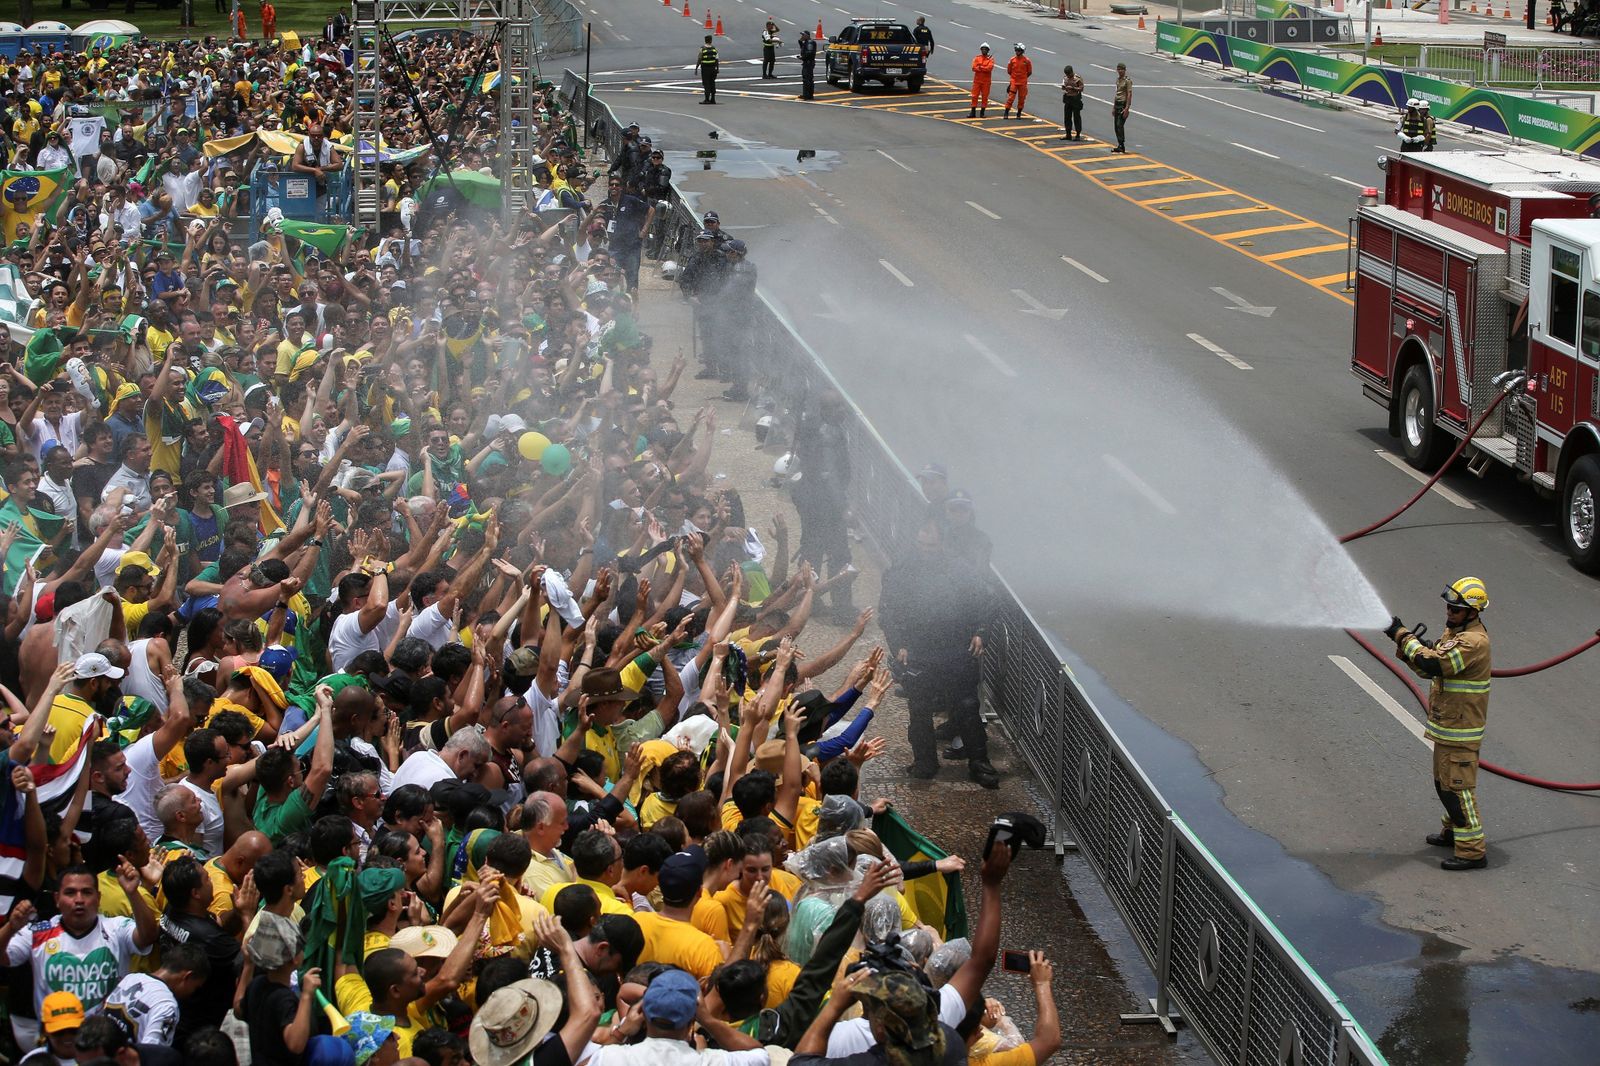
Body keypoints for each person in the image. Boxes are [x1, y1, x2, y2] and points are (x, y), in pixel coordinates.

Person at [879, 518, 998, 788]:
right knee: (919, 709)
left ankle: (979, 762)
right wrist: (899, 644)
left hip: (956, 649)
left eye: (931, 545)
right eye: (922, 544)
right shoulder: (902, 571)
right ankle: (925, 761)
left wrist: (981, 631)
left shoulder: (960, 570)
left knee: (967, 707)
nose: (926, 550)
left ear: (942, 544)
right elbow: (888, 613)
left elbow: (987, 600)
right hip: (918, 650)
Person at [1385, 577, 1492, 871]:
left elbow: (1436, 664)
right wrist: (1412, 648)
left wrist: (1402, 635)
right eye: (1448, 607)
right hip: (1448, 727)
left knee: (1457, 790)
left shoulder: (1472, 642)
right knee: (1444, 784)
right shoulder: (1456, 632)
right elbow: (1430, 669)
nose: (1449, 613)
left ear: (1473, 612)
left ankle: (1472, 851)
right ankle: (1453, 832)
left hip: (1460, 731)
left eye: (1456, 610)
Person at [1003, 44, 1031, 120]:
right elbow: (1009, 71)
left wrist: (1023, 78)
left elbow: (1029, 72)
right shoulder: (1012, 60)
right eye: (1016, 50)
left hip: (1022, 83)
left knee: (1022, 99)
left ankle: (1019, 113)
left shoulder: (1027, 61)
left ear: (1022, 51)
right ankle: (1006, 112)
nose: (1017, 52)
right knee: (1010, 98)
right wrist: (1013, 78)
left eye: (1019, 51)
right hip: (1014, 82)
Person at [969, 44, 995, 119]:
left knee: (985, 97)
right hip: (977, 81)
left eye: (985, 49)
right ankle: (972, 112)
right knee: (974, 96)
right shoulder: (977, 58)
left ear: (988, 50)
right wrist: (983, 68)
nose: (984, 50)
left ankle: (982, 113)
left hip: (986, 81)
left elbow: (989, 68)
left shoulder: (991, 59)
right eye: (983, 49)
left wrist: (980, 67)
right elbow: (974, 68)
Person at [1112, 62, 1133, 152]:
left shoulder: (1127, 81)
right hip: (1117, 103)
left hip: (1123, 104)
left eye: (1121, 69)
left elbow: (1129, 94)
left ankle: (1122, 145)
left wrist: (1127, 108)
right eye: (1118, 69)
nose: (1120, 71)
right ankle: (1119, 144)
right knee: (1116, 126)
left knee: (1119, 125)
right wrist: (1113, 106)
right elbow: (1116, 93)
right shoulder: (1118, 80)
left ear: (1125, 70)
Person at [1060, 64, 1084, 140]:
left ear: (1071, 72)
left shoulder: (1077, 78)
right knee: (1067, 117)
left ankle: (1077, 135)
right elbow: (1063, 87)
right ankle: (1068, 134)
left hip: (1075, 98)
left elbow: (1081, 88)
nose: (1068, 76)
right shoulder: (1065, 78)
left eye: (1069, 74)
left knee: (1076, 117)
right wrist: (1064, 87)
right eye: (1066, 74)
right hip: (1068, 98)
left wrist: (1073, 88)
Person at [697, 36, 721, 104]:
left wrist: (696, 68)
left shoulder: (702, 49)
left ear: (705, 40)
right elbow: (717, 60)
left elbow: (699, 59)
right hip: (713, 68)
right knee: (712, 83)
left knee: (706, 83)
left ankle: (707, 99)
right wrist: (717, 69)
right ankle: (713, 99)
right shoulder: (714, 49)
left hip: (705, 68)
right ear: (711, 41)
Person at [798, 31, 819, 100]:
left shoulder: (810, 43)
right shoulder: (806, 42)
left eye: (803, 35)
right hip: (807, 62)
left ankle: (807, 95)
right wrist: (800, 41)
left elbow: (809, 53)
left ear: (807, 36)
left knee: (807, 79)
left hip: (808, 63)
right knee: (807, 78)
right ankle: (807, 94)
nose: (802, 37)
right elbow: (803, 49)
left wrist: (802, 57)